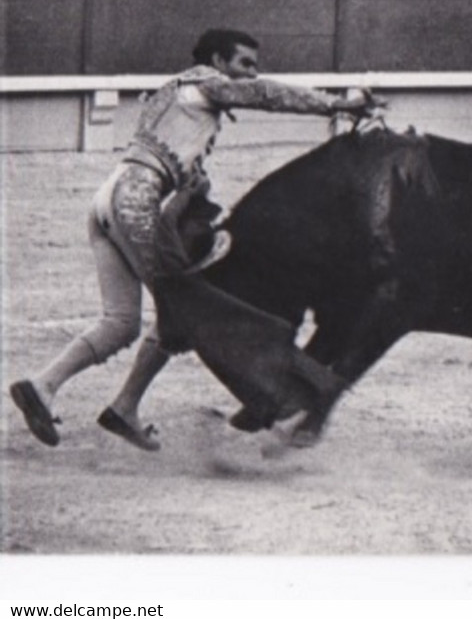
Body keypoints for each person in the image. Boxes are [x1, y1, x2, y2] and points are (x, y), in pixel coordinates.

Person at [9, 28, 376, 449]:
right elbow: (267, 96)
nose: (251, 75)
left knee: (122, 322)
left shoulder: (175, 90)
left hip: (110, 196)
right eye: (244, 64)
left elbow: (178, 160)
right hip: (136, 199)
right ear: (219, 62)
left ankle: (44, 387)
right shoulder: (207, 83)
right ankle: (128, 405)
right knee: (184, 306)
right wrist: (338, 104)